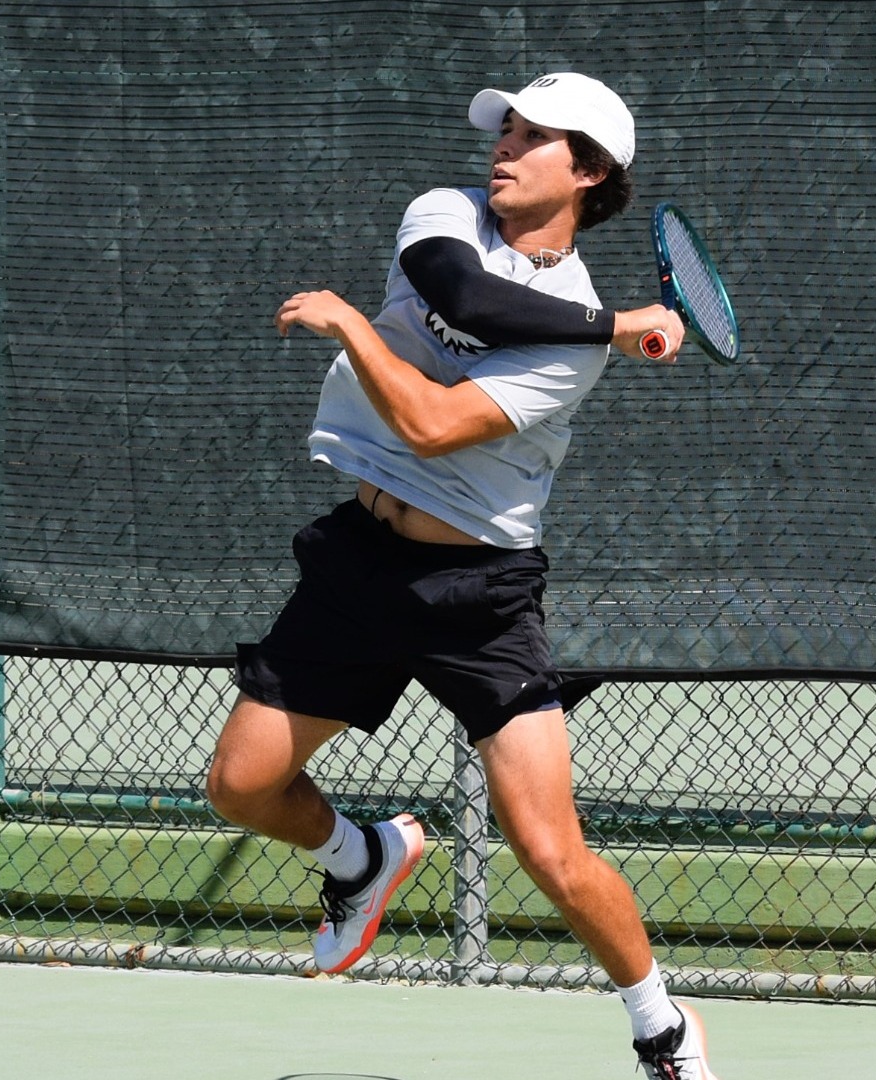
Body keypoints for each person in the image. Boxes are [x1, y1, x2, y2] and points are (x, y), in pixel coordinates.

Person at [204, 73, 720, 1079]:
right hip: (361, 565)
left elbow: (436, 430)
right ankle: (363, 859)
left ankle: (663, 1027)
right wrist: (618, 320)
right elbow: (459, 293)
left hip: (479, 597)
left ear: (587, 173)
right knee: (241, 784)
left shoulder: (574, 344)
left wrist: (356, 326)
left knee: (551, 854)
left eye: (535, 138)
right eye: (509, 128)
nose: (507, 147)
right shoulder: (447, 216)